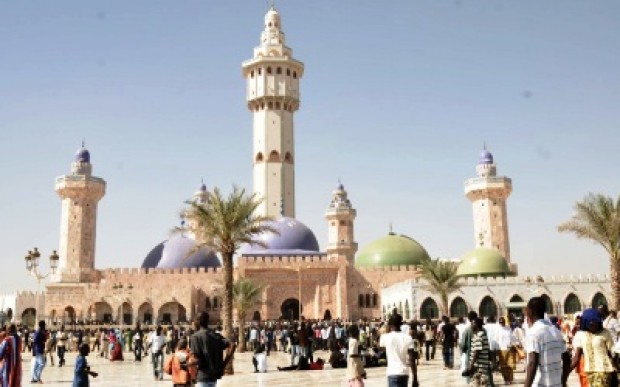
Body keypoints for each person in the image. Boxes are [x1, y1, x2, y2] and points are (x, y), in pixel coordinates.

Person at [524, 296, 570, 387]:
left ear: (530, 311)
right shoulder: (556, 331)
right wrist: (563, 381)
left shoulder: (533, 333)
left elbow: (533, 362)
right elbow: (567, 359)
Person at [570, 308, 615, 386]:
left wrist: (615, 370)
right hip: (589, 372)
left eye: (596, 323)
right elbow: (577, 357)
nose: (593, 325)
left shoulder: (605, 333)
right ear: (585, 323)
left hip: (603, 371)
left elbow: (610, 353)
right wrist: (566, 372)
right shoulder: (581, 335)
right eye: (590, 323)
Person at [188, 312, 235, 387]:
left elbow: (197, 360)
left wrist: (185, 364)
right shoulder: (216, 336)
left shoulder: (195, 337)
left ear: (198, 321)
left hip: (203, 377)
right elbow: (232, 345)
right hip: (213, 378)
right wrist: (223, 365)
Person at [379, 314, 418, 387]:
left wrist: (388, 328)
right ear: (401, 324)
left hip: (392, 372)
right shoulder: (408, 338)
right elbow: (412, 359)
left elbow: (381, 348)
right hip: (404, 373)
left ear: (390, 325)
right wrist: (415, 378)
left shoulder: (385, 337)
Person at [467, 318, 494, 387]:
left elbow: (477, 351)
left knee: (479, 384)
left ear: (477, 324)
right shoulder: (482, 334)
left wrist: (471, 365)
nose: (471, 326)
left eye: (473, 324)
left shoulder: (479, 336)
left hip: (479, 366)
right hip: (482, 364)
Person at [496, 316, 517, 384]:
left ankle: (510, 379)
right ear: (499, 322)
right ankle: (506, 379)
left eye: (503, 322)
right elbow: (496, 340)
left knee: (510, 365)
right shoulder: (498, 330)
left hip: (509, 348)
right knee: (503, 366)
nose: (502, 323)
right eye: (501, 322)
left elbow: (512, 337)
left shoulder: (508, 328)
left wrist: (516, 343)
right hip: (501, 350)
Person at [460, 310, 478, 379]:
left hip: (470, 354)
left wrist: (463, 350)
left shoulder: (467, 330)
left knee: (470, 372)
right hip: (481, 356)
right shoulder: (482, 329)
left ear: (469, 319)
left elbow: (463, 345)